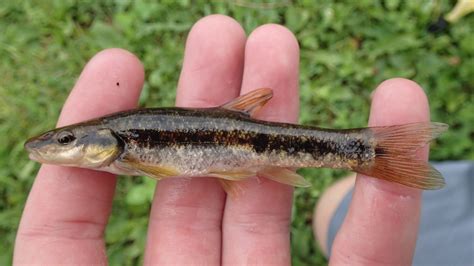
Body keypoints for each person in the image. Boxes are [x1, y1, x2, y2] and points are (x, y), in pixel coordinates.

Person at [13, 14, 465, 265]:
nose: (56, 149)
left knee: (336, 185)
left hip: (244, 142)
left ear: (103, 140)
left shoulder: (127, 142)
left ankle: (361, 151)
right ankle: (361, 152)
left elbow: (165, 168)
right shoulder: (122, 143)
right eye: (65, 141)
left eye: (68, 140)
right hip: (239, 143)